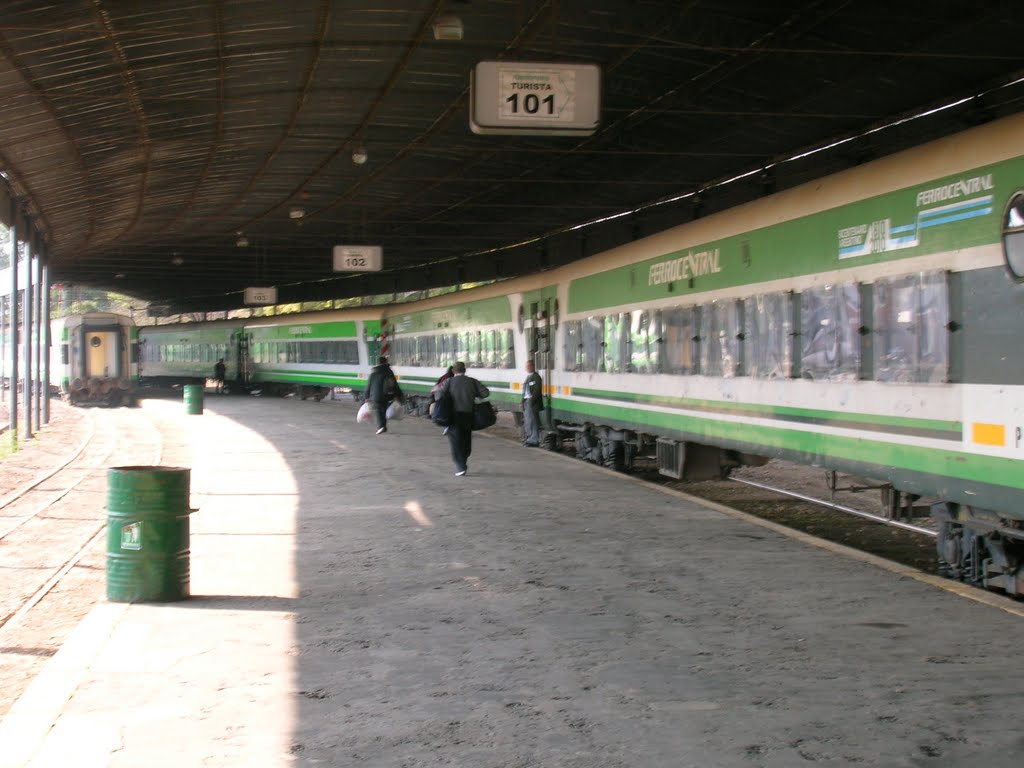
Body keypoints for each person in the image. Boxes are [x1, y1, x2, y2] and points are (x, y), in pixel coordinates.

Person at [438, 361, 488, 476]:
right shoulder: (472, 381)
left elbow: (439, 396)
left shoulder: (449, 382)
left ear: (453, 371)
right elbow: (485, 393)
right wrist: (474, 394)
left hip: (453, 416)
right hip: (468, 415)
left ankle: (460, 466)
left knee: (456, 441)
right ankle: (464, 461)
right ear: (464, 370)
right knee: (466, 439)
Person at [365, 356, 403, 435]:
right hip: (387, 395)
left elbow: (369, 385)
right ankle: (383, 426)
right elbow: (394, 385)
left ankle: (381, 427)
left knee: (378, 411)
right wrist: (399, 395)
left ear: (378, 363)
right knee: (383, 409)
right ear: (386, 362)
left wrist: (366, 396)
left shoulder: (374, 372)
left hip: (376, 395)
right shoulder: (389, 372)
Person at [521, 359, 543, 447]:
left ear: (533, 366)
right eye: (527, 366)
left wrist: (531, 401)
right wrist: (522, 401)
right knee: (528, 421)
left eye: (529, 366)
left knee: (533, 421)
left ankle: (534, 440)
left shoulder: (536, 377)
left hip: (532, 403)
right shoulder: (528, 377)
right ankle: (530, 439)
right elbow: (525, 391)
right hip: (527, 401)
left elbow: (537, 390)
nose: (528, 367)